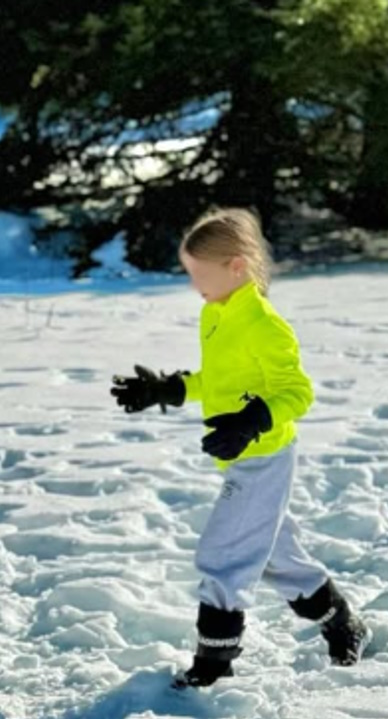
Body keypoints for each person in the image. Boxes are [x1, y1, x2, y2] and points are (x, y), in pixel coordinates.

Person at [110, 207, 371, 688]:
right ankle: (341, 621)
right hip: (241, 456)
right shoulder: (218, 314)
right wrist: (168, 390)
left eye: (199, 275)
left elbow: (298, 392)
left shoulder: (264, 325)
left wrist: (251, 422)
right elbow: (218, 381)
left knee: (224, 554)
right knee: (277, 557)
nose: (194, 286)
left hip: (264, 456)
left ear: (235, 267)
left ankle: (213, 666)